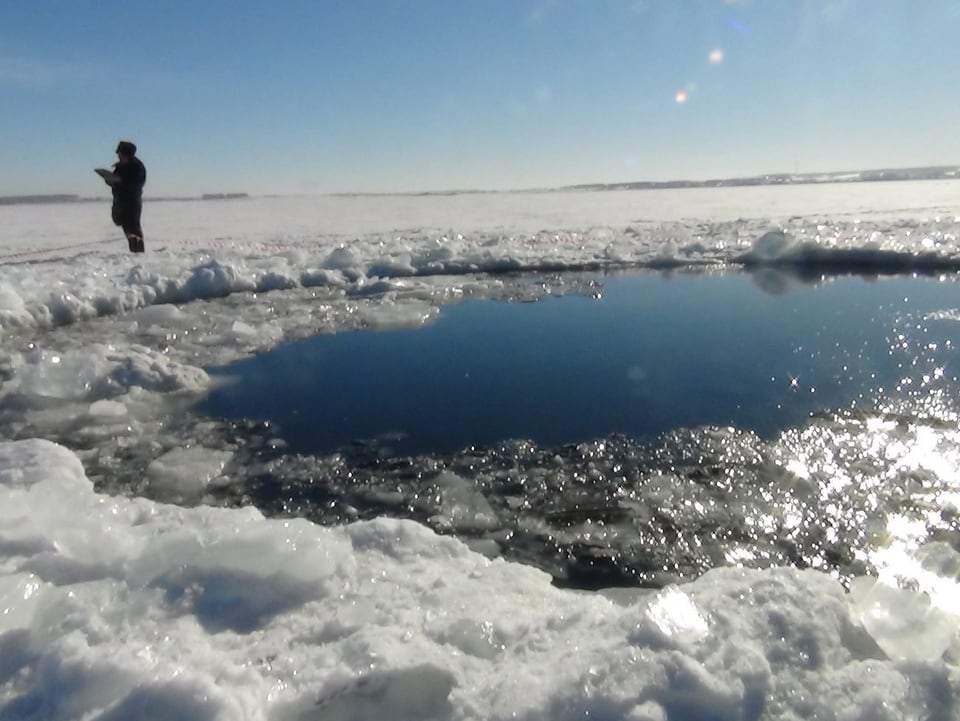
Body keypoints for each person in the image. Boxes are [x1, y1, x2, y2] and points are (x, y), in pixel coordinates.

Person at [101, 140, 147, 253]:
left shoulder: (137, 167)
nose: (118, 155)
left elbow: (137, 183)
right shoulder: (120, 166)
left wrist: (120, 181)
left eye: (120, 153)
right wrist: (110, 180)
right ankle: (134, 251)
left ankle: (139, 253)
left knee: (133, 227)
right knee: (125, 225)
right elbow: (114, 181)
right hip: (120, 200)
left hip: (132, 202)